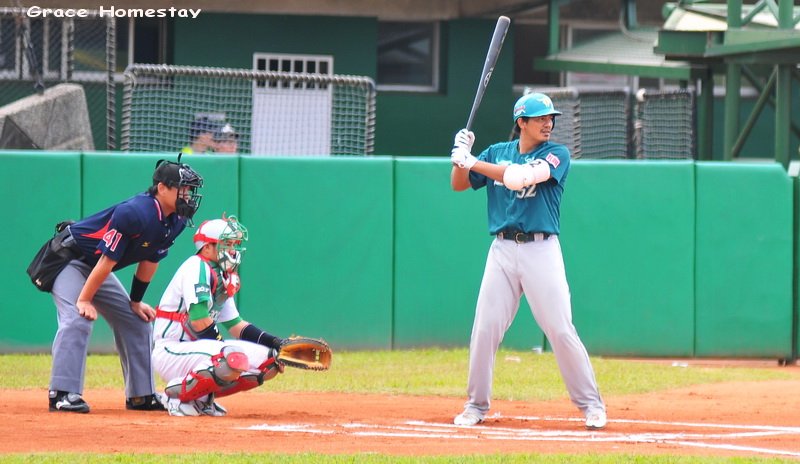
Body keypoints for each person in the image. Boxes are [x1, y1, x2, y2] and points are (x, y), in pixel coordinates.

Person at [448, 92, 607, 430]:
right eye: (540, 118)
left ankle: (591, 405)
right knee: (484, 329)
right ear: (522, 122)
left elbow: (516, 177)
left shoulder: (556, 154)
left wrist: (471, 160)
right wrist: (459, 159)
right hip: (502, 250)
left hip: (541, 249)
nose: (549, 123)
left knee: (560, 330)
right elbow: (458, 185)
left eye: (551, 117)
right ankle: (475, 405)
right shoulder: (496, 152)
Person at [46, 157, 204, 413]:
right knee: (78, 318)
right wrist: (84, 300)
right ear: (162, 188)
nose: (188, 195)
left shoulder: (176, 220)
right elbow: (107, 260)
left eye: (190, 190)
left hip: (97, 267)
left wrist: (134, 301)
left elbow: (150, 260)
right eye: (182, 189)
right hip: (69, 260)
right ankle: (62, 393)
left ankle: (141, 396)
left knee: (137, 321)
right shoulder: (135, 212)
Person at [151, 215, 286, 416]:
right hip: (172, 350)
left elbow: (237, 326)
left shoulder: (222, 275)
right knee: (231, 357)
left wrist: (276, 342)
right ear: (206, 247)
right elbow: (199, 319)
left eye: (234, 244)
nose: (232, 249)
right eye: (226, 244)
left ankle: (204, 398)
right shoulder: (196, 266)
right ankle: (177, 396)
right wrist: (225, 350)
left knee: (270, 361)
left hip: (198, 351)